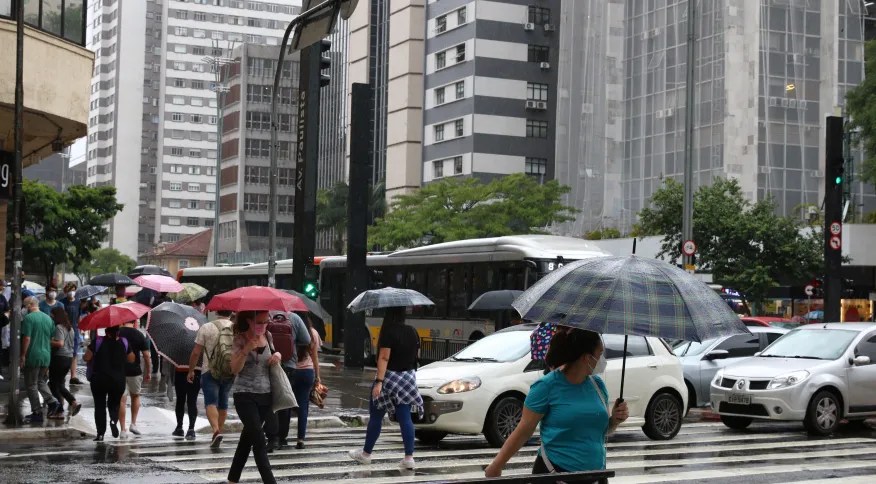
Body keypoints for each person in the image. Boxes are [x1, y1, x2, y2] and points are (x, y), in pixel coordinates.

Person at [485, 328, 629, 478]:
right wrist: (497, 466)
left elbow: (599, 430)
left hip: (595, 475)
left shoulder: (597, 385)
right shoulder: (546, 386)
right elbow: (523, 431)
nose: (603, 359)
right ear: (586, 357)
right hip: (555, 474)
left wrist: (614, 420)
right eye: (600, 354)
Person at [348, 307, 422, 470]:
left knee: (376, 415)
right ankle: (409, 457)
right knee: (405, 417)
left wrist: (379, 382)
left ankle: (366, 454)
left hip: (389, 377)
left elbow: (384, 357)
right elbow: (417, 354)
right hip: (408, 378)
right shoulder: (412, 331)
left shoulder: (388, 332)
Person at [227, 310, 282, 484]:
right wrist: (246, 350)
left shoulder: (268, 335)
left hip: (265, 395)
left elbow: (275, 354)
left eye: (266, 322)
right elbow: (234, 369)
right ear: (249, 321)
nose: (263, 326)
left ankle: (232, 479)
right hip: (244, 395)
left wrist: (277, 355)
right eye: (259, 322)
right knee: (259, 439)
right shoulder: (239, 339)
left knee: (247, 439)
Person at [188, 310, 234, 448]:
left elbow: (196, 352)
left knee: (211, 402)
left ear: (216, 312)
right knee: (223, 401)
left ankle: (216, 431)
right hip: (229, 369)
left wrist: (191, 370)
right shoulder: (235, 327)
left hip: (209, 370)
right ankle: (219, 431)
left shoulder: (206, 327)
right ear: (230, 312)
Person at [267, 311, 311, 451]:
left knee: (269, 400)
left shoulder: (266, 315)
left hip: (268, 363)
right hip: (289, 365)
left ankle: (271, 436)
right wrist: (292, 340)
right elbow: (307, 340)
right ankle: (282, 437)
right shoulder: (294, 318)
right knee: (284, 401)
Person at [85, 326, 134, 442]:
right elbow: (131, 359)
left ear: (106, 332)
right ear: (118, 332)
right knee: (115, 403)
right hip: (118, 380)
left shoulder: (97, 341)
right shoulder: (124, 342)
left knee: (99, 406)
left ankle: (100, 434)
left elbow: (87, 357)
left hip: (99, 379)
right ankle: (113, 419)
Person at [21, 297, 60, 422]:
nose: (24, 308)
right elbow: (51, 337)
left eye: (25, 305)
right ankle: (53, 402)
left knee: (31, 384)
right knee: (40, 382)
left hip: (33, 355)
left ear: (31, 305)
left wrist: (22, 355)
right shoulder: (48, 318)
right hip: (46, 355)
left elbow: (27, 338)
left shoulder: (28, 318)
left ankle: (37, 412)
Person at [292, 312, 322, 450]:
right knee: (303, 406)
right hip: (307, 372)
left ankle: (281, 437)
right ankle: (300, 439)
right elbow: (315, 357)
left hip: (291, 370)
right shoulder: (312, 333)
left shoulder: (289, 327)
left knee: (286, 404)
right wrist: (317, 376)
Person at [118, 320, 151, 438]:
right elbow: (146, 355)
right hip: (135, 370)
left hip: (119, 370)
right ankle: (133, 424)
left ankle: (122, 429)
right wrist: (148, 371)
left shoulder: (118, 333)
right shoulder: (139, 334)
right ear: (134, 322)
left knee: (121, 399)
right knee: (135, 396)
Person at [48, 307, 81, 419]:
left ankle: (59, 410)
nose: (51, 317)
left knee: (53, 385)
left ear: (56, 316)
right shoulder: (70, 328)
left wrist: (48, 341)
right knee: (59, 384)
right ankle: (73, 402)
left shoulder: (59, 327)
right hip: (68, 358)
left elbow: (60, 343)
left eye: (52, 315)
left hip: (59, 358)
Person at [60, 283, 83, 385]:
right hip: (64, 329)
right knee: (64, 352)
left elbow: (79, 318)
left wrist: (80, 328)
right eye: (70, 290)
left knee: (74, 353)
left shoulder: (78, 303)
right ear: (65, 291)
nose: (72, 292)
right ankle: (62, 375)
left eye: (73, 289)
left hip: (75, 329)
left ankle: (73, 376)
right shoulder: (61, 303)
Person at [173, 362, 201, 440]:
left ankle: (179, 427)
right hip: (196, 371)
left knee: (180, 400)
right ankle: (191, 429)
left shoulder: (179, 349)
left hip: (180, 370)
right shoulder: (199, 349)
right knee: (192, 401)